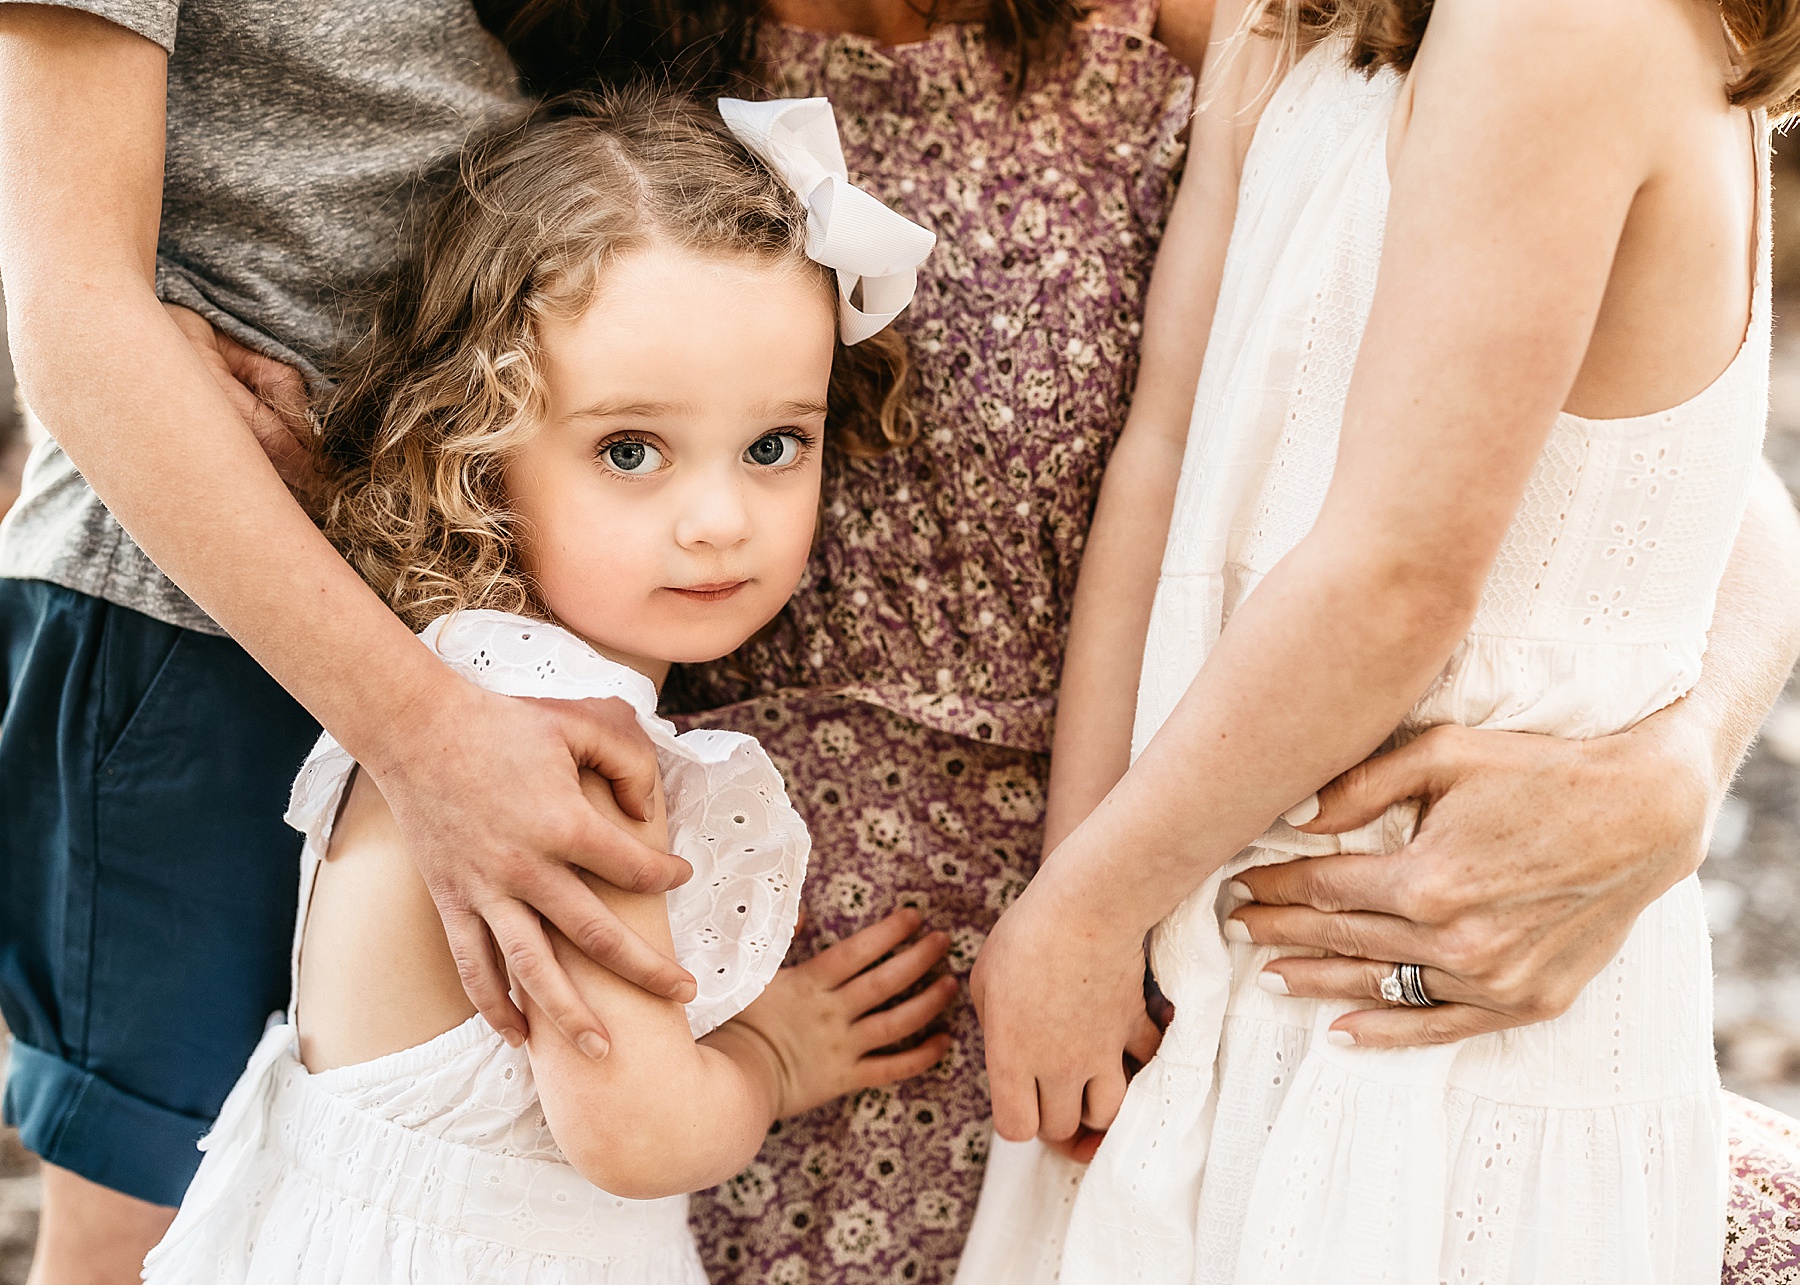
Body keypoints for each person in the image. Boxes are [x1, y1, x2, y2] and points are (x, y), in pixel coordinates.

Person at [965, 0, 1800, 1278]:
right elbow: (1167, 451)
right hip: (1199, 947)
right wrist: (1086, 897)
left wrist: (1079, 915)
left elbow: (1397, 578)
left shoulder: (1568, 26)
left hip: (1423, 1008)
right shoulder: (1295, 21)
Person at [139, 88, 957, 1284]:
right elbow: (637, 1129)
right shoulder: (558, 737)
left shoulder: (443, 663)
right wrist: (775, 1059)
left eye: (775, 444)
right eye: (631, 450)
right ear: (471, 449)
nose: (722, 520)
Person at [0, 5, 704, 1280]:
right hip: (196, 624)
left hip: (474, 619)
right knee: (149, 1227)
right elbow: (71, 305)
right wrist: (426, 734)